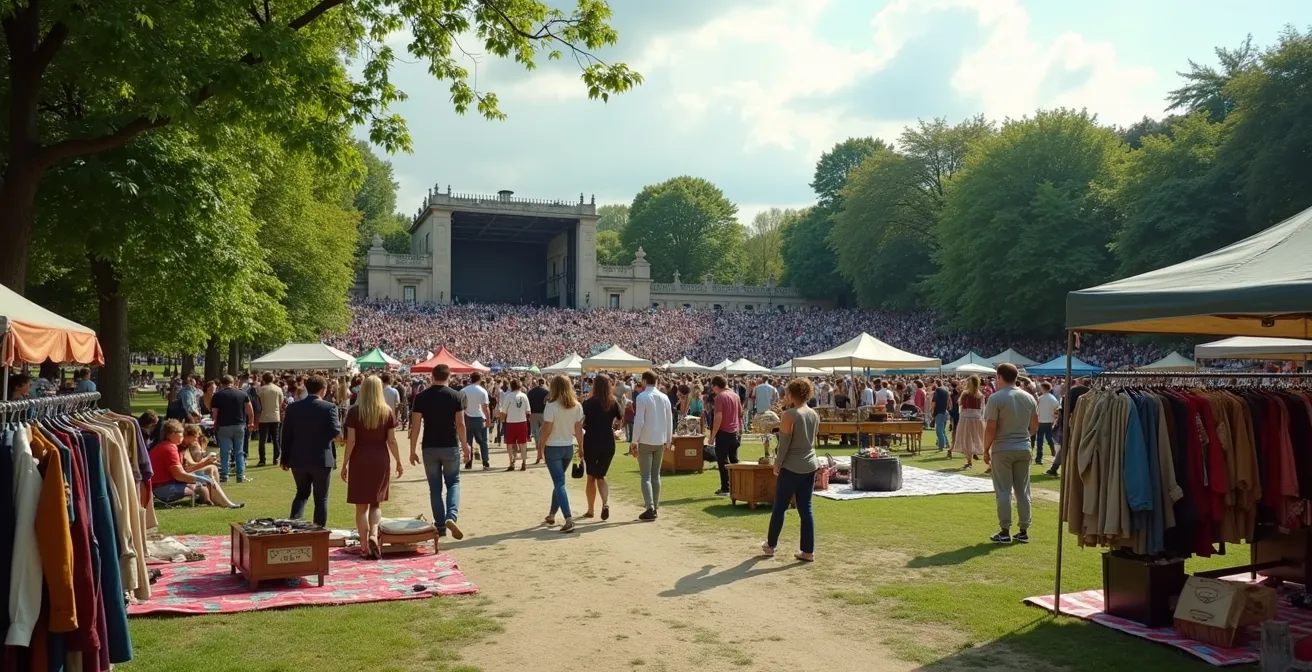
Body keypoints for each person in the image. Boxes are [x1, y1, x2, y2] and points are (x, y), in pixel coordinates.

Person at [342, 376, 403, 559]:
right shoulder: (387, 411)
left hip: (360, 458)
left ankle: (363, 545)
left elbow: (350, 441)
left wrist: (344, 463)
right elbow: (391, 440)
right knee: (376, 502)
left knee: (361, 507)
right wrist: (399, 461)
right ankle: (374, 535)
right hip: (380, 458)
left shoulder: (354, 412)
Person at [762, 378, 819, 563]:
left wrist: (777, 463)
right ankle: (808, 551)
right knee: (806, 510)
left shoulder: (790, 414)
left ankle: (770, 545)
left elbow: (784, 443)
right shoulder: (813, 414)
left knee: (779, 507)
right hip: (810, 465)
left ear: (791, 394)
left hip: (791, 466)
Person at [410, 364, 470, 539]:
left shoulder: (421, 397)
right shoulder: (456, 396)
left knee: (434, 488)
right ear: (449, 376)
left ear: (431, 376)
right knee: (453, 483)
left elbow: (415, 426)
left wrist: (412, 450)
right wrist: (465, 445)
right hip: (450, 444)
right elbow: (460, 424)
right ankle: (451, 515)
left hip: (429, 445)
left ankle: (440, 526)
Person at [983, 363, 1038, 544]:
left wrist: (985, 449)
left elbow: (991, 427)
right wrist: (1022, 437)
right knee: (1023, 490)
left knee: (1004, 490)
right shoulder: (1029, 397)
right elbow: (1034, 426)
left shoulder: (996, 398)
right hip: (1023, 446)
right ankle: (1023, 530)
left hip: (1003, 447)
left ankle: (1005, 530)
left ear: (999, 377)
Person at [280, 375, 342, 528]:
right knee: (321, 498)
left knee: (301, 494)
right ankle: (319, 531)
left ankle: (292, 526)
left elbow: (286, 434)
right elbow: (336, 432)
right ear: (324, 389)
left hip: (298, 457)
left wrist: (284, 458)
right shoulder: (329, 407)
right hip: (321, 458)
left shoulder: (293, 407)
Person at [537, 375, 585, 533]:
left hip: (553, 447)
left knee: (559, 483)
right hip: (568, 447)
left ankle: (568, 517)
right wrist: (581, 447)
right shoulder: (576, 405)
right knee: (559, 482)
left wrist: (540, 447)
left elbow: (546, 429)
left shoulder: (551, 406)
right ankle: (552, 513)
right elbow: (578, 429)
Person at [630, 370, 673, 521]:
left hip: (646, 440)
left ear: (643, 381)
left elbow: (639, 421)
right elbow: (669, 420)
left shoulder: (642, 397)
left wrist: (634, 441)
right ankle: (655, 505)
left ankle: (650, 507)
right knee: (656, 475)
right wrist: (668, 440)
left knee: (645, 476)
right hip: (660, 440)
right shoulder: (664, 397)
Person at [581, 374, 622, 521]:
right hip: (608, 441)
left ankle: (591, 509)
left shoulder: (589, 403)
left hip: (591, 441)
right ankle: (605, 503)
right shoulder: (613, 402)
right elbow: (619, 418)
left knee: (591, 477)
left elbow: (582, 421)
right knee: (601, 476)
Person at [150, 420, 214, 505]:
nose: (182, 436)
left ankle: (212, 501)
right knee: (200, 485)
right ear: (172, 434)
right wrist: (203, 479)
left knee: (202, 483)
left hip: (160, 487)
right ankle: (214, 502)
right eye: (181, 433)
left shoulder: (164, 446)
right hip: (163, 489)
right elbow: (179, 475)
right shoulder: (169, 448)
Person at [179, 425, 243, 508]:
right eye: (195, 437)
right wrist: (207, 461)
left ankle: (217, 497)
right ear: (188, 436)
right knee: (211, 469)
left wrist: (207, 460)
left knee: (213, 468)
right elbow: (188, 469)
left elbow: (193, 464)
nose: (196, 439)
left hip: (186, 472)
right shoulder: (182, 448)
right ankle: (221, 500)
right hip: (184, 475)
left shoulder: (185, 447)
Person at [211, 375, 256, 483]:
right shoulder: (242, 393)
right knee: (239, 451)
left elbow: (215, 413)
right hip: (239, 425)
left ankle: (225, 475)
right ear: (233, 382)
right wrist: (251, 422)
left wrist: (215, 423)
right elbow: (250, 410)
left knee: (225, 451)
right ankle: (240, 475)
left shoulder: (217, 395)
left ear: (221, 384)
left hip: (224, 425)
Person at [708, 375, 741, 498]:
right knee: (734, 461)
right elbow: (740, 414)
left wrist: (712, 435)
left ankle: (725, 487)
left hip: (724, 432)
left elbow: (718, 417)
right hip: (735, 432)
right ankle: (737, 486)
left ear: (716, 386)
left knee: (723, 461)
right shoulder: (735, 396)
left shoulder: (720, 397)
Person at [460, 371, 492, 471]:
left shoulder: (463, 391)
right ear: (479, 379)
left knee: (468, 441)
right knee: (483, 441)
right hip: (479, 417)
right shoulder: (482, 391)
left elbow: (460, 407)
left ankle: (468, 462)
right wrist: (488, 419)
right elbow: (486, 408)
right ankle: (485, 462)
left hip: (467, 417)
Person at [498, 379, 531, 471]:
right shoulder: (524, 396)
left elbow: (503, 411)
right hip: (522, 422)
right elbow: (528, 411)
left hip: (511, 422)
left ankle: (511, 462)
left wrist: (502, 420)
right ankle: (524, 462)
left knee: (510, 443)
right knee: (523, 443)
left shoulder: (508, 396)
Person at [955, 376, 986, 470]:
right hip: (975, 418)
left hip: (968, 418)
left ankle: (970, 461)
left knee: (968, 439)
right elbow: (982, 409)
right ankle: (970, 461)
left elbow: (960, 406)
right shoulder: (979, 395)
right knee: (972, 439)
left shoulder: (967, 394)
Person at [255, 372, 285, 467]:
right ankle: (276, 458)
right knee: (275, 439)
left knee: (262, 440)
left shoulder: (260, 390)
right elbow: (281, 402)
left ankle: (262, 459)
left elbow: (258, 403)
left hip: (264, 416)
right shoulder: (278, 389)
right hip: (275, 416)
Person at [1034, 382, 1059, 466]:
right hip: (1049, 421)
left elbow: (1036, 409)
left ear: (1043, 388)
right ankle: (1052, 449)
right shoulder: (1053, 398)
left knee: (1040, 441)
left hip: (1041, 420)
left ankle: (1039, 458)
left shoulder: (1040, 398)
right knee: (1049, 437)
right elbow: (1056, 410)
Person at [526, 377, 549, 464]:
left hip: (533, 414)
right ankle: (543, 448)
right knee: (545, 432)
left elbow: (528, 403)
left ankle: (537, 445)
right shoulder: (547, 391)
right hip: (544, 414)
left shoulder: (531, 391)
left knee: (535, 432)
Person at [931, 380, 951, 451]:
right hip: (944, 412)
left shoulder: (937, 392)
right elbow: (949, 402)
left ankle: (942, 445)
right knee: (942, 430)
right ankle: (946, 443)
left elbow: (933, 403)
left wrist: (932, 411)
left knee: (939, 430)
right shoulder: (946, 391)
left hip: (939, 412)